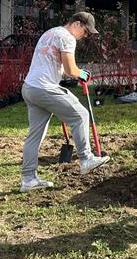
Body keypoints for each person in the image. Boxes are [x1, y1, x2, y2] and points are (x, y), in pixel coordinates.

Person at [20, 12, 110, 192]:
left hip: (30, 88)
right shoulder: (68, 38)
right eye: (85, 31)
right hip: (44, 88)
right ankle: (86, 159)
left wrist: (71, 72)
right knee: (81, 115)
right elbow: (70, 69)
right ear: (77, 24)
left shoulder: (50, 33)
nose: (85, 36)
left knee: (35, 135)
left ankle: (28, 179)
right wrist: (81, 73)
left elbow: (53, 64)